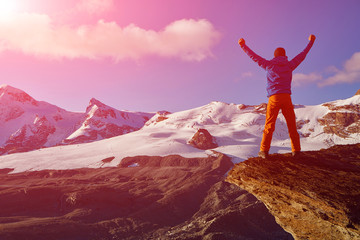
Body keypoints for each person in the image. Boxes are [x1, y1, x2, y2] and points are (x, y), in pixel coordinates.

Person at [238, 34, 316, 159]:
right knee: (291, 125)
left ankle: (264, 151)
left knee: (269, 125)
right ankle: (296, 150)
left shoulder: (269, 65)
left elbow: (254, 56)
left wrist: (243, 45)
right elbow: (303, 55)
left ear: (274, 56)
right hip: (286, 97)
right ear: (285, 56)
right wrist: (311, 42)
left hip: (273, 98)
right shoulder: (290, 65)